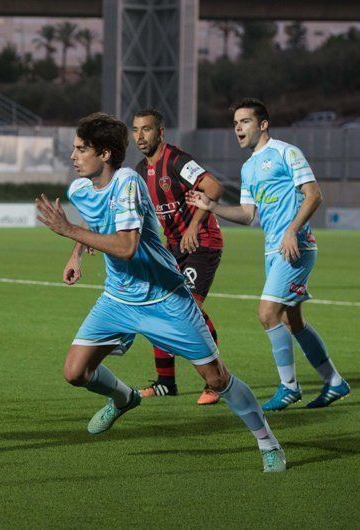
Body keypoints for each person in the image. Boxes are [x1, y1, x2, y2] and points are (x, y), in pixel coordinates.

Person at [36, 112, 285, 472]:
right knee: (75, 373)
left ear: (105, 154)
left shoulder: (128, 182)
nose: (73, 156)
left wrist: (68, 231)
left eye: (80, 149)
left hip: (165, 298)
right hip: (118, 299)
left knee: (216, 378)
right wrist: (76, 254)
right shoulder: (79, 189)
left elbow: (126, 248)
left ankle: (268, 442)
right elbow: (95, 218)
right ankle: (124, 399)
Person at [187, 98, 349, 411]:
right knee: (294, 322)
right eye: (235, 123)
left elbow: (314, 196)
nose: (238, 128)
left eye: (244, 122)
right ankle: (334, 382)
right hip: (273, 250)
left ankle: (289, 388)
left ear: (263, 124)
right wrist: (212, 208)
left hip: (296, 246)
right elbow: (248, 215)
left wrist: (292, 231)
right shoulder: (248, 168)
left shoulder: (286, 152)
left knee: (266, 313)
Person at [132, 109, 224, 405]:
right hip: (172, 249)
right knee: (158, 310)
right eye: (135, 130)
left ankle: (217, 381)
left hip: (202, 243)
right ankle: (166, 383)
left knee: (189, 312)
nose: (139, 136)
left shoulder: (176, 160)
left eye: (146, 129)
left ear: (161, 133)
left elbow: (214, 187)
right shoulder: (137, 172)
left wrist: (194, 227)